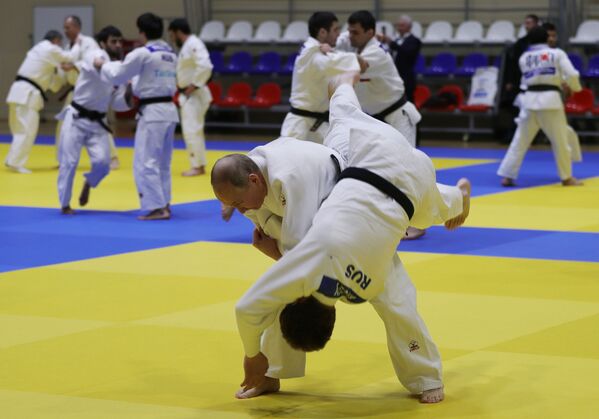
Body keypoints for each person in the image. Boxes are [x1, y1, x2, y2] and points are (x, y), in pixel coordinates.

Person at [216, 74, 471, 403]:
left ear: (254, 180)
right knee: (345, 105)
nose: (236, 210)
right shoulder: (247, 170)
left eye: (237, 203)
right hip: (357, 163)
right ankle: (270, 373)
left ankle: (425, 375)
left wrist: (276, 253)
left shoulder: (290, 176)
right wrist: (346, 77)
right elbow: (341, 100)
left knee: (395, 297)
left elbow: (298, 250)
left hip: (365, 181)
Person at [337, 10, 425, 239]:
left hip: (399, 117)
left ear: (370, 32)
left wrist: (327, 54)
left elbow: (359, 66)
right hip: (377, 120)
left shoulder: (376, 52)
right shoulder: (357, 48)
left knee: (408, 171)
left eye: (356, 32)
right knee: (375, 169)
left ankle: (418, 222)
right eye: (349, 31)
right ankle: (380, 217)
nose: (351, 36)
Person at [97, 12, 179, 220]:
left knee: (146, 161)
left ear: (141, 32)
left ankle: (156, 207)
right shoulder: (169, 52)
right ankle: (165, 202)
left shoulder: (143, 53)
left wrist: (102, 65)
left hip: (152, 113)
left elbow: (118, 74)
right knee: (162, 162)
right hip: (169, 111)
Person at [56, 26, 130, 214]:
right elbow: (97, 64)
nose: (118, 44)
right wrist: (120, 73)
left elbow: (119, 104)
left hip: (98, 122)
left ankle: (89, 182)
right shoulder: (95, 54)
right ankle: (65, 204)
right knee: (69, 163)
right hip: (76, 117)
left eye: (120, 41)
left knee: (103, 164)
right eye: (114, 41)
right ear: (103, 43)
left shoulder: (119, 70)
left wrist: (128, 87)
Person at [497, 27, 583, 186]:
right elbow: (572, 74)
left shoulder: (524, 57)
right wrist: (576, 87)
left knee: (519, 141)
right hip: (550, 102)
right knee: (560, 141)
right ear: (546, 38)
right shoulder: (557, 54)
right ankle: (566, 177)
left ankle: (507, 176)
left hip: (529, 101)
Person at [279, 11, 363, 143]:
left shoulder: (315, 49)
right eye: (335, 30)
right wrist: (357, 59)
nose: (338, 34)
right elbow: (332, 63)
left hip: (319, 123)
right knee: (288, 161)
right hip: (299, 124)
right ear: (323, 32)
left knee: (330, 159)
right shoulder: (312, 53)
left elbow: (338, 46)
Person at [5, 30, 79, 173]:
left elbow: (54, 86)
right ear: (56, 40)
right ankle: (16, 163)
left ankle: (12, 160)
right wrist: (77, 44)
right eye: (60, 43)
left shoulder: (39, 53)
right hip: (27, 95)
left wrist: (60, 71)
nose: (60, 47)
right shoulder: (48, 48)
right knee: (27, 130)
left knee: (19, 129)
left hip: (18, 93)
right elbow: (69, 57)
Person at [57, 15, 120, 170]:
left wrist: (72, 65)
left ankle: (113, 157)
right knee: (64, 124)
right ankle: (64, 159)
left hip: (90, 90)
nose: (65, 30)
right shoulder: (68, 46)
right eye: (64, 27)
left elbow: (93, 61)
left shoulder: (88, 43)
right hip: (75, 90)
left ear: (77, 27)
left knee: (98, 122)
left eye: (68, 27)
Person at [168, 18, 213, 177]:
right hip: (189, 94)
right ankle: (198, 164)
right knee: (193, 130)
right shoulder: (188, 46)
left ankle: (198, 166)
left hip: (195, 94)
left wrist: (193, 85)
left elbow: (206, 66)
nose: (171, 38)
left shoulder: (194, 43)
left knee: (192, 130)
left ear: (177, 32)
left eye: (172, 34)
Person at [542, 22, 582, 163]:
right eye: (549, 36)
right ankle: (567, 174)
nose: (552, 39)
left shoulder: (557, 54)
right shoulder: (533, 54)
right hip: (536, 100)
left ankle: (508, 174)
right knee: (563, 135)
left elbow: (566, 77)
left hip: (548, 101)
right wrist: (573, 86)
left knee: (566, 134)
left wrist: (566, 86)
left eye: (554, 36)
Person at [496, 14, 540, 142]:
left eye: (529, 23)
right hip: (519, 81)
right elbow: (513, 64)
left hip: (536, 82)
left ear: (536, 24)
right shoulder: (521, 43)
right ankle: (516, 135)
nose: (527, 26)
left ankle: (534, 136)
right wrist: (510, 81)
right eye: (525, 23)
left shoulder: (542, 44)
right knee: (517, 109)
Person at [379, 15, 421, 103]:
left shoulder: (414, 41)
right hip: (393, 75)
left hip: (406, 77)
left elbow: (406, 52)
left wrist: (391, 43)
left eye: (402, 25)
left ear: (409, 27)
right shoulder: (396, 39)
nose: (399, 28)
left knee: (408, 102)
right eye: (398, 25)